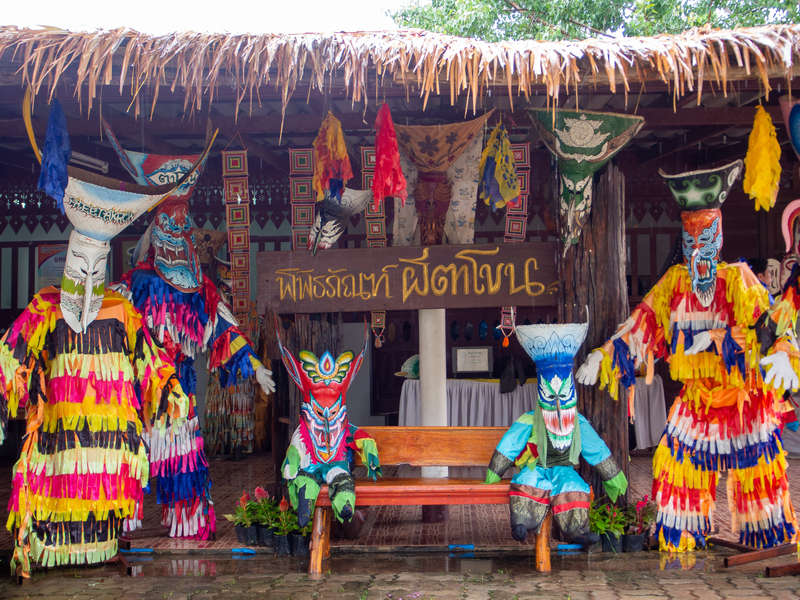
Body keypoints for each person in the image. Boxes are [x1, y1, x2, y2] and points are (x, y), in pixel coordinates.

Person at [0, 98, 198, 577]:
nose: (87, 277)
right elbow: (13, 354)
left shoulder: (121, 310)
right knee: (55, 483)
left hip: (108, 435)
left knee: (103, 489)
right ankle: (50, 551)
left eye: (97, 267)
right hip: (56, 430)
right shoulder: (44, 309)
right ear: (67, 262)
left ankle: (103, 548)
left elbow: (148, 358)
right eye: (78, 265)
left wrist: (170, 391)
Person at [577, 160, 799, 551]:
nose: (698, 248)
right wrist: (605, 354)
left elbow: (770, 329)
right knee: (679, 463)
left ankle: (770, 538)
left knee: (758, 471)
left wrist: (770, 350)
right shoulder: (674, 284)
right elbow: (643, 322)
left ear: (720, 235)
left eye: (706, 237)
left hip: (743, 397)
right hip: (696, 398)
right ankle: (680, 534)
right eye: (690, 238)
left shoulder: (739, 279)